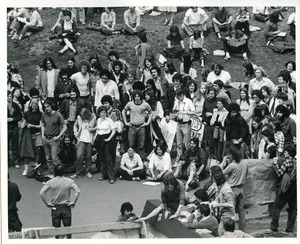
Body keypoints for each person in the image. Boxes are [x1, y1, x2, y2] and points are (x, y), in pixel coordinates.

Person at [40, 165, 80, 239]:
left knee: (56, 231)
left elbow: (42, 192)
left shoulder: (50, 182)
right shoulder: (69, 181)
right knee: (68, 231)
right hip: (66, 207)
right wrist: (74, 202)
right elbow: (77, 191)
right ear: (63, 171)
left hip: (55, 208)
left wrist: (47, 203)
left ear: (55, 172)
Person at [219, 146, 248, 232]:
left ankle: (231, 230)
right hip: (242, 188)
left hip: (233, 189)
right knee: (241, 211)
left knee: (231, 212)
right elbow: (246, 174)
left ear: (232, 155)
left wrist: (224, 161)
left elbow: (220, 173)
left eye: (228, 155)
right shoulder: (245, 163)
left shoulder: (232, 165)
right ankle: (242, 230)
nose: (227, 156)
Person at [270, 145, 297, 233]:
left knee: (276, 207)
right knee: (292, 208)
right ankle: (289, 229)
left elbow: (279, 173)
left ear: (288, 153)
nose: (284, 153)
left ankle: (274, 227)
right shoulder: (296, 161)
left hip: (286, 187)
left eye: (285, 152)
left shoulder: (287, 162)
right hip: (294, 186)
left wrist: (275, 164)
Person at [122, 90, 152, 159]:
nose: (137, 98)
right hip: (132, 127)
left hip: (141, 127)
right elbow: (123, 111)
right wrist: (126, 122)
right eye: (135, 96)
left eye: (138, 96)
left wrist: (147, 123)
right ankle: (130, 161)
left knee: (141, 145)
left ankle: (141, 161)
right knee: (131, 145)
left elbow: (151, 112)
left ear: (141, 97)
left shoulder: (145, 104)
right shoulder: (130, 104)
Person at [41, 100, 67, 176]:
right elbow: (43, 124)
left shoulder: (57, 115)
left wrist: (58, 136)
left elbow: (65, 126)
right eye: (45, 107)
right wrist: (42, 136)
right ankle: (52, 173)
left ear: (51, 106)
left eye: (48, 106)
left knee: (54, 158)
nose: (46, 108)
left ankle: (61, 173)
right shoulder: (44, 115)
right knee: (48, 159)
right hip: (46, 138)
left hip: (54, 139)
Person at [93, 106, 116, 184]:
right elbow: (98, 129)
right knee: (102, 159)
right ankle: (104, 175)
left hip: (107, 140)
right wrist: (94, 138)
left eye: (104, 112)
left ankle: (111, 177)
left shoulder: (109, 120)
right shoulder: (98, 120)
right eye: (102, 112)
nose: (103, 114)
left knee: (108, 159)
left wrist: (109, 138)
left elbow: (113, 131)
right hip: (100, 140)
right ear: (99, 114)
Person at [171, 88, 195, 164]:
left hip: (186, 124)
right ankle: (178, 160)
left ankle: (187, 160)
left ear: (182, 95)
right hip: (178, 123)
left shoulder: (188, 101)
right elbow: (174, 110)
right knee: (179, 144)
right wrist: (175, 110)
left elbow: (194, 112)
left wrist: (185, 112)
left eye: (178, 97)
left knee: (187, 144)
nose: (178, 98)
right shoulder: (177, 101)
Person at [19, 99, 43, 176]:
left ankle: (36, 166)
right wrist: (23, 125)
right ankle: (26, 169)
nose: (34, 106)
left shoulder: (40, 114)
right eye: (33, 104)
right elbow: (23, 123)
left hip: (37, 134)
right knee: (27, 151)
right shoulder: (27, 113)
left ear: (38, 106)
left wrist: (32, 126)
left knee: (37, 151)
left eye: (36, 104)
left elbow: (41, 126)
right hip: (28, 135)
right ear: (30, 105)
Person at [71, 108, 97, 179]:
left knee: (88, 156)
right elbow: (75, 125)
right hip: (81, 139)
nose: (82, 116)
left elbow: (97, 127)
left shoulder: (93, 118)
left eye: (83, 115)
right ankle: (78, 172)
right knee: (79, 156)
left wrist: (93, 130)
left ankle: (88, 171)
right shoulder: (79, 118)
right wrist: (75, 133)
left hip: (89, 139)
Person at [211, 171, 235, 236]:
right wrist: (216, 201)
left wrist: (218, 205)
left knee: (221, 233)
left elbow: (231, 204)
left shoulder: (226, 189)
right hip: (224, 214)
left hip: (228, 216)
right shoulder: (222, 186)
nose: (214, 182)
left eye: (215, 181)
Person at [7, 90, 22, 168]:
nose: (9, 98)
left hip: (14, 128)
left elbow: (19, 117)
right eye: (7, 96)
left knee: (15, 146)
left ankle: (15, 161)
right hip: (6, 128)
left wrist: (12, 119)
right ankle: (7, 162)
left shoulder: (16, 105)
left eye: (10, 96)